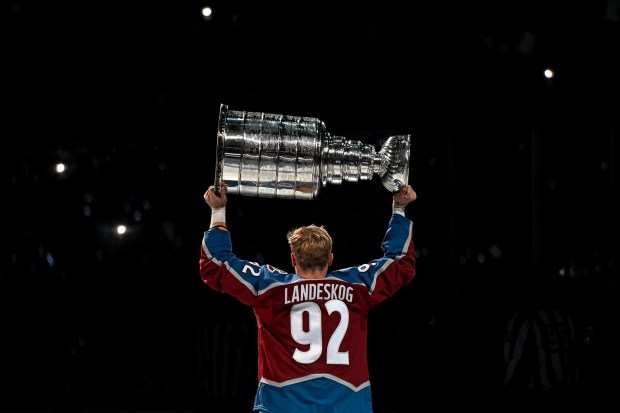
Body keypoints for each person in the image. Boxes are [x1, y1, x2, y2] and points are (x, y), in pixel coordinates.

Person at [199, 183, 417, 413]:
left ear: (293, 259)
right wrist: (399, 208)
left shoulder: (269, 288)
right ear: (331, 259)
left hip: (282, 406)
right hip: (347, 406)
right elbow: (400, 263)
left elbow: (215, 265)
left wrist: (218, 211)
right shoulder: (357, 287)